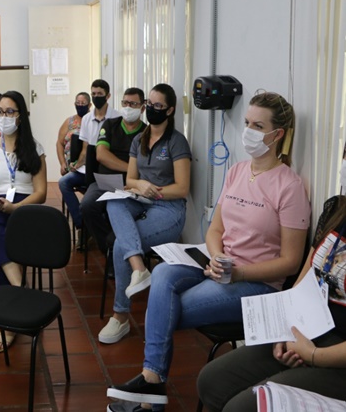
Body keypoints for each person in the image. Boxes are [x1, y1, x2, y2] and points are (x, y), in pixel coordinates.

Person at [106, 91, 311, 410]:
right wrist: (216, 257)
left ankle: (150, 391)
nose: (248, 131)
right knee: (162, 272)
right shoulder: (237, 171)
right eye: (247, 123)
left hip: (255, 283)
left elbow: (291, 262)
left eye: (258, 126)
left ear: (277, 135)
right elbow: (215, 229)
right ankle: (151, 384)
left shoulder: (290, 186)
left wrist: (237, 272)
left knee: (165, 310)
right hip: (218, 264)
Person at [197, 143, 346, 412]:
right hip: (309, 330)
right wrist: (286, 328)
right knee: (211, 381)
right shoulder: (337, 209)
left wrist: (314, 355)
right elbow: (305, 276)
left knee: (242, 407)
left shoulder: (288, 185)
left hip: (336, 355)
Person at [99, 83, 192, 346]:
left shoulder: (176, 141)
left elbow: (182, 188)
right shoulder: (139, 139)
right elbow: (130, 179)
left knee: (121, 245)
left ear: (170, 110)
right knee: (113, 201)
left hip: (168, 208)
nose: (151, 109)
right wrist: (140, 184)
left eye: (158, 106)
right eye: (149, 104)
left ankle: (120, 316)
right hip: (140, 199)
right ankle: (139, 268)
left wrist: (154, 191)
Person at [0, 90, 47, 353]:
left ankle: (7, 321)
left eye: (10, 111)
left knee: (0, 237)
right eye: (0, 112)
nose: (3, 116)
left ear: (20, 116)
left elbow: (41, 193)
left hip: (26, 207)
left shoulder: (35, 148)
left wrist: (15, 207)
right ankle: (21, 290)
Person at [80, 87, 146, 251]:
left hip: (132, 186)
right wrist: (130, 169)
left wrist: (131, 176)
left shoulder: (146, 133)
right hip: (105, 182)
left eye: (133, 104)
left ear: (142, 108)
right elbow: (101, 155)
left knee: (126, 211)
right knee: (87, 206)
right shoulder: (110, 125)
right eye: (125, 103)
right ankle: (109, 248)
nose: (128, 107)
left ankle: (118, 245)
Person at [60, 80, 120, 244]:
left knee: (95, 197)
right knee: (64, 182)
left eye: (100, 94)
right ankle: (82, 224)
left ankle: (97, 227)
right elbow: (85, 148)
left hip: (106, 170)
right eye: (93, 94)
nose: (96, 97)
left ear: (108, 96)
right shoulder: (87, 118)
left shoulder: (117, 117)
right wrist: (77, 164)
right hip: (87, 168)